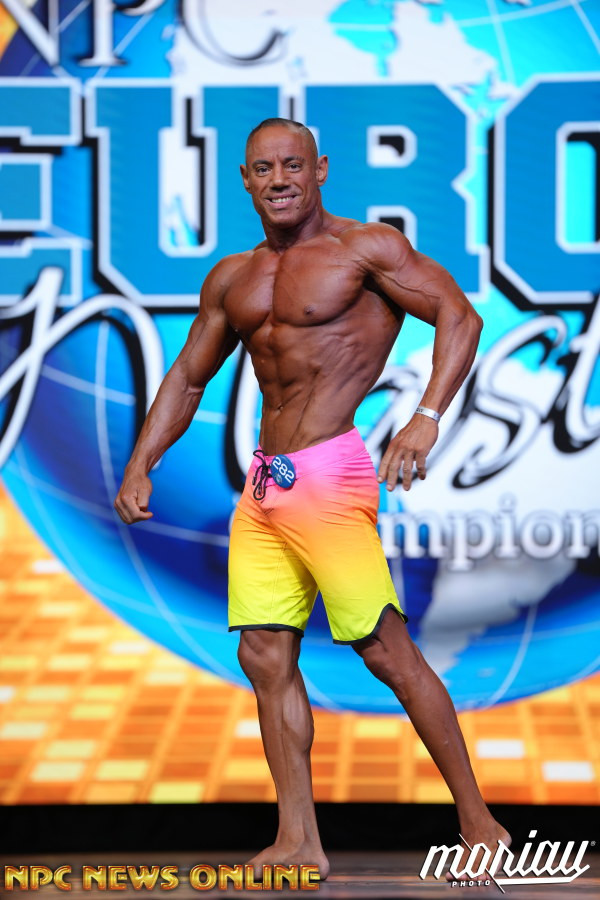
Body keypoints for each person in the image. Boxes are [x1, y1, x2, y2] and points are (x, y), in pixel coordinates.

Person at [114, 117, 510, 879]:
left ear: (320, 168)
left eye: (292, 165)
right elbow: (189, 376)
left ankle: (479, 825)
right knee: (264, 653)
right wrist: (142, 462)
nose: (280, 180)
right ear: (245, 179)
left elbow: (460, 315)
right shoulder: (234, 277)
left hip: (329, 472)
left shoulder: (366, 251)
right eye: (263, 169)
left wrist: (426, 417)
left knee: (384, 649)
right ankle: (298, 840)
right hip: (265, 483)